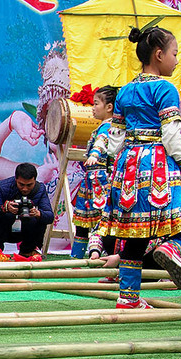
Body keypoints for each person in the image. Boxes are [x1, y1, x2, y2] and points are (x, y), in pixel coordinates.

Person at [96, 26, 181, 309]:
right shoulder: (165, 89)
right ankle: (171, 249)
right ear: (159, 55)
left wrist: (116, 165)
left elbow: (115, 140)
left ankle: (128, 298)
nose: (176, 60)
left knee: (134, 233)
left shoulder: (125, 92)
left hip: (129, 166)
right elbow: (172, 137)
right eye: (174, 53)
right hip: (159, 163)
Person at [71, 85, 118, 259]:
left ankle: (90, 255)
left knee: (100, 219)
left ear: (109, 107)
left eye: (96, 103)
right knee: (83, 221)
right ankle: (78, 257)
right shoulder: (104, 126)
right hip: (92, 180)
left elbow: (101, 142)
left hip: (101, 181)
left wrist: (94, 154)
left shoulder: (108, 128)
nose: (93, 107)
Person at [0, 162, 53, 259]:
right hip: (4, 228)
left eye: (29, 185)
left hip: (26, 229)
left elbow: (50, 217)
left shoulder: (40, 189)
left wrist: (38, 213)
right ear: (16, 179)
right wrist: (4, 208)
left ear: (35, 180)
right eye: (21, 184)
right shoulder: (3, 186)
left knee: (40, 218)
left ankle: (28, 250)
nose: (25, 189)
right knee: (2, 215)